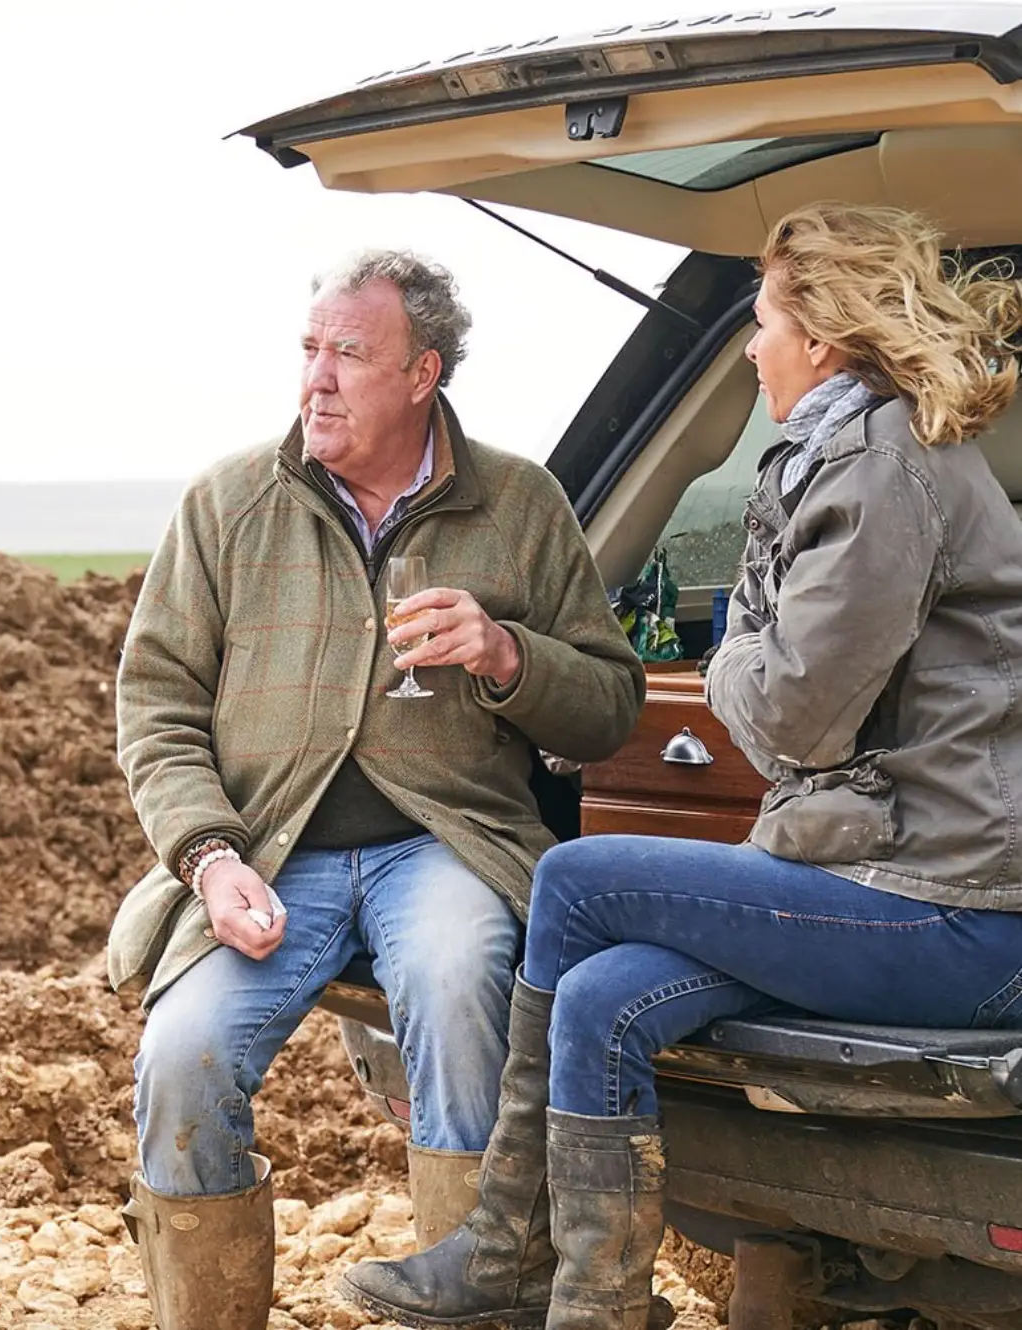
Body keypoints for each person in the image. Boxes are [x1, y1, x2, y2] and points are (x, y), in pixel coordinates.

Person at [343, 202, 1022, 1330]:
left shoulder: (881, 469)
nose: (750, 347)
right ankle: (592, 1305)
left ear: (820, 331)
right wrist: (752, 656)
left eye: (759, 322)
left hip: (950, 918)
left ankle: (508, 1254)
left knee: (573, 878)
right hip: (890, 885)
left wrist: (721, 655)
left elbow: (790, 722)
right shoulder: (855, 457)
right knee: (604, 994)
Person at [108, 249, 645, 1330]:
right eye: (308, 350)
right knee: (178, 1058)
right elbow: (154, 706)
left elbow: (610, 707)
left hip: (441, 847)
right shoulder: (227, 503)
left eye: (347, 354)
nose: (314, 377)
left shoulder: (520, 503)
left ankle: (478, 1295)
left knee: (459, 983)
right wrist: (208, 856)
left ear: (420, 375)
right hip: (262, 854)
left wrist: (505, 655)